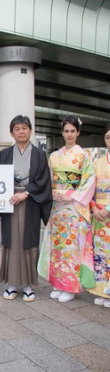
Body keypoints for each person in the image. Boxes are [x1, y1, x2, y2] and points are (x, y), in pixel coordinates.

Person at [0, 115, 52, 302]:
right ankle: (12, 284)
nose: (21, 131)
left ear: (30, 131)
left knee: (28, 242)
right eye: (17, 129)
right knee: (11, 242)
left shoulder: (39, 155)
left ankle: (27, 285)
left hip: (30, 202)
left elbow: (43, 181)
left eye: (24, 128)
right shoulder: (4, 154)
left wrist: (25, 192)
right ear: (12, 133)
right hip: (10, 201)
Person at [38, 116, 96, 303]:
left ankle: (70, 286)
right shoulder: (54, 156)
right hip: (57, 207)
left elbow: (89, 181)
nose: (69, 134)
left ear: (78, 132)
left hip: (73, 207)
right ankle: (57, 283)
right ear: (62, 133)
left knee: (71, 246)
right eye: (66, 131)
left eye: (73, 131)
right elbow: (48, 179)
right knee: (57, 246)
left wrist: (72, 195)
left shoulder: (84, 155)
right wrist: (52, 193)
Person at [87, 123, 110, 307]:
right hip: (99, 215)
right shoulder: (98, 162)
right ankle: (102, 291)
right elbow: (90, 188)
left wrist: (107, 208)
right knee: (100, 253)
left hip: (108, 211)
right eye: (108, 137)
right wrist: (94, 207)